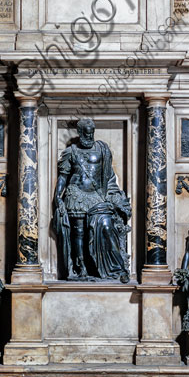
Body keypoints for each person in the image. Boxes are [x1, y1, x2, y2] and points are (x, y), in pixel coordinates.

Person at [53, 118, 131, 282]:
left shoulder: (102, 149)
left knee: (106, 225)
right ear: (80, 133)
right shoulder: (71, 152)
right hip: (76, 194)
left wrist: (114, 195)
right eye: (86, 133)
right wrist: (57, 197)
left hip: (97, 195)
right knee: (78, 231)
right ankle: (80, 266)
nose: (89, 136)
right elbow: (63, 177)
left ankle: (113, 268)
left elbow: (109, 174)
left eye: (91, 133)